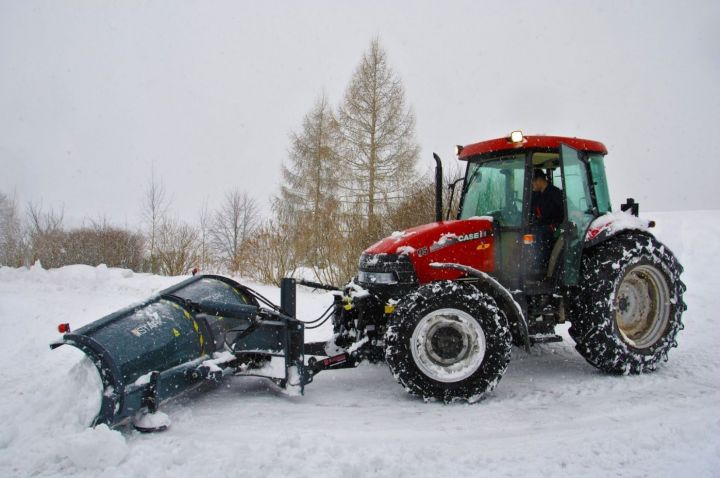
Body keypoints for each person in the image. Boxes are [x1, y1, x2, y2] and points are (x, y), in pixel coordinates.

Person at [529, 169, 564, 278]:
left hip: (554, 226)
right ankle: (530, 263)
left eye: (532, 182)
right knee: (528, 231)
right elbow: (530, 208)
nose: (531, 185)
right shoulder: (536, 194)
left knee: (538, 234)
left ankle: (540, 267)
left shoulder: (555, 193)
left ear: (539, 180)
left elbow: (563, 211)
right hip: (540, 224)